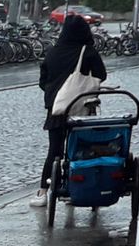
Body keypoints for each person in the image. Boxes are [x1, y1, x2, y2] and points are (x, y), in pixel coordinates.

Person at [32, 14, 109, 206]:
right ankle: (80, 187)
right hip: (81, 108)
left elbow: (43, 81)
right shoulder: (87, 51)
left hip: (57, 109)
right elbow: (101, 75)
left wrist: (56, 94)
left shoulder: (52, 52)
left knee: (54, 151)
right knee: (83, 149)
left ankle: (43, 191)